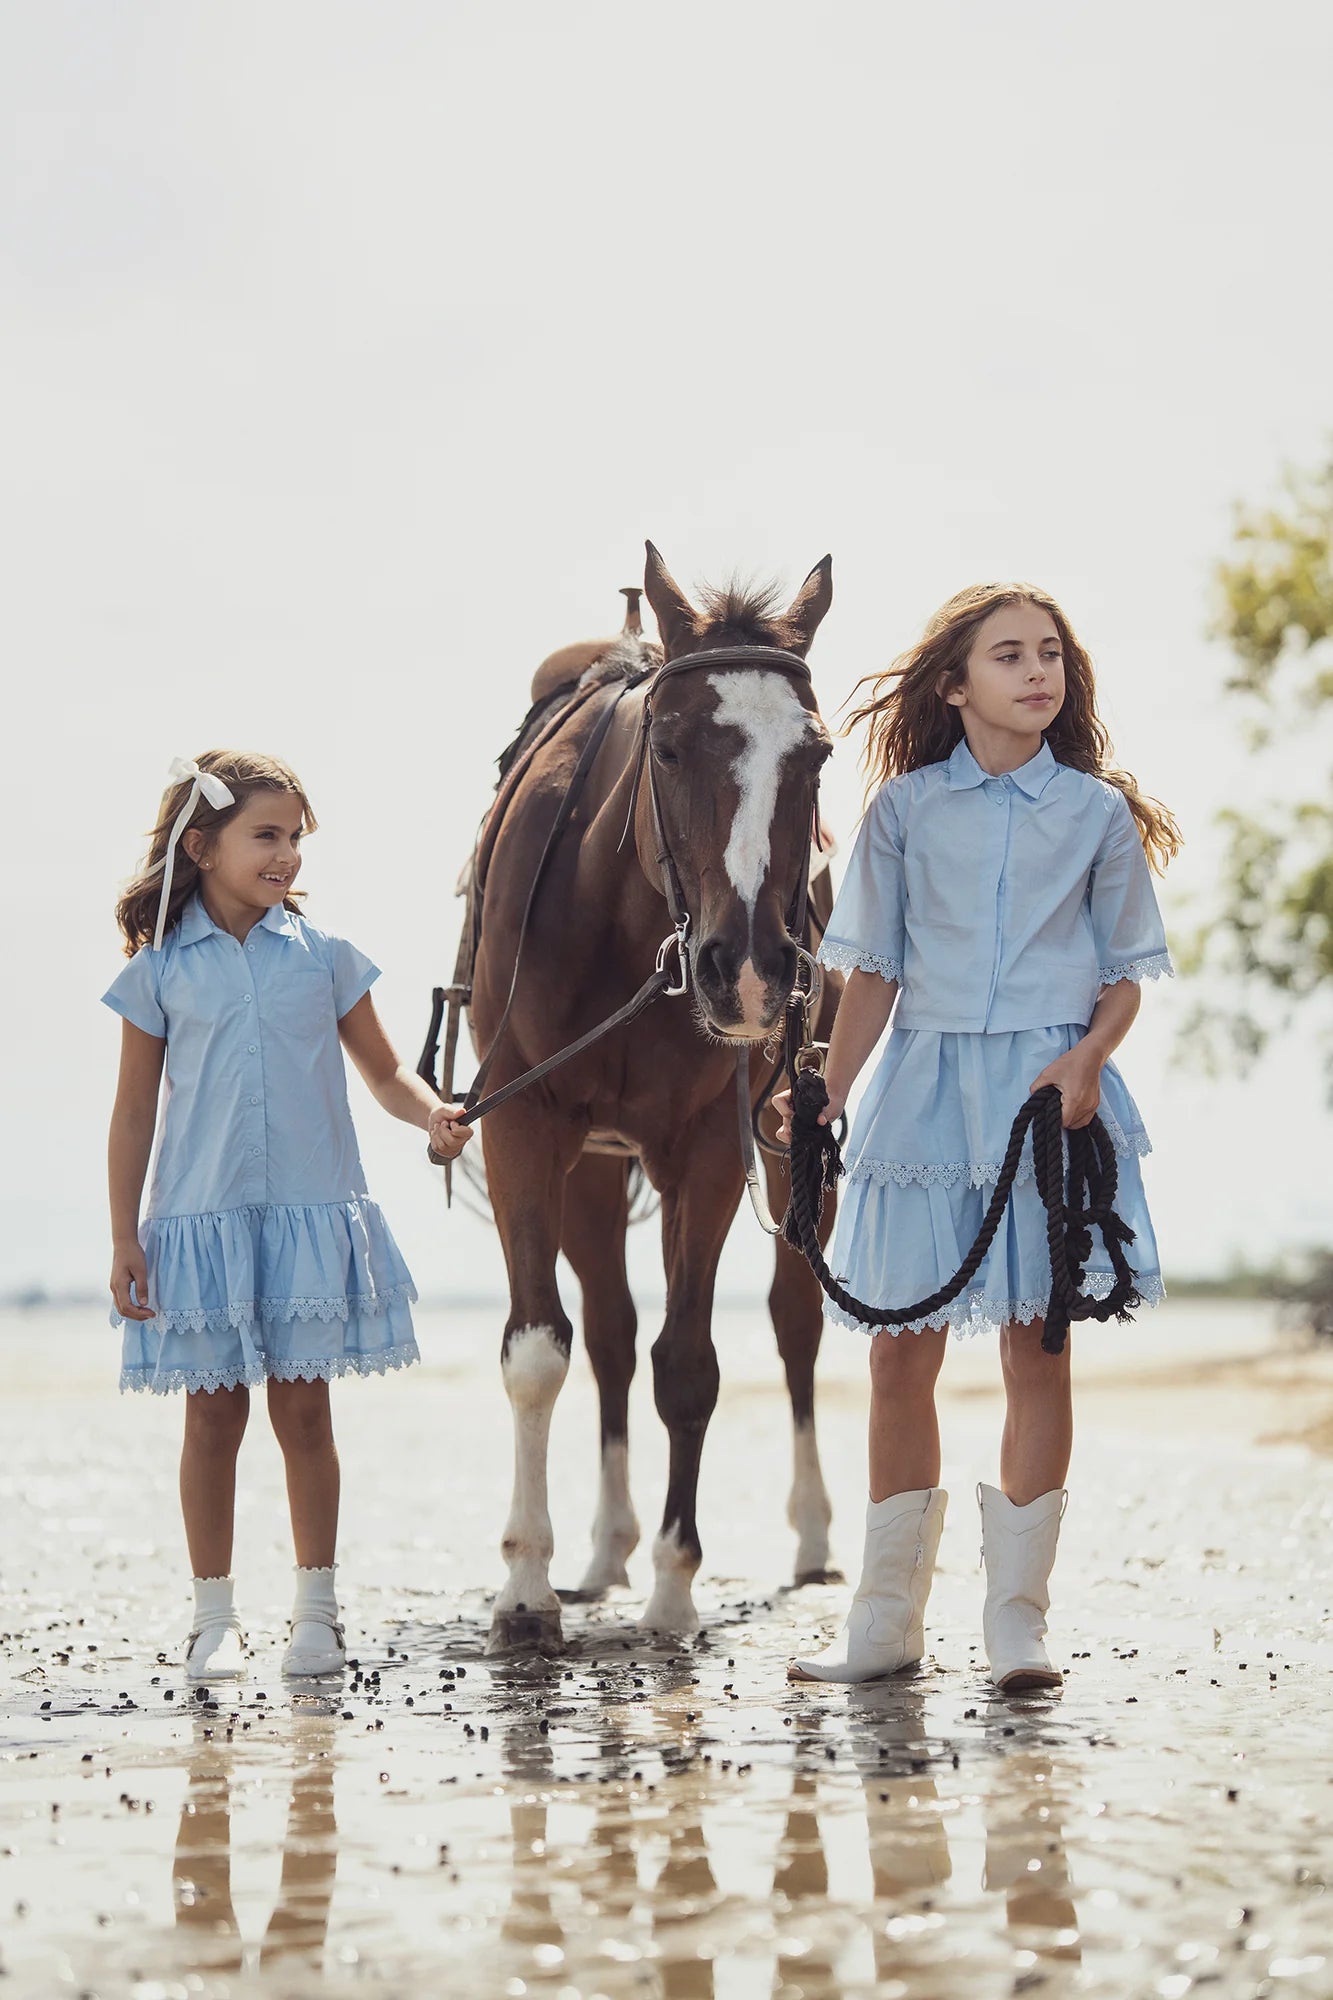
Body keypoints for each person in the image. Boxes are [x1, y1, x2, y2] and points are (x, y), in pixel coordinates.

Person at [778, 586, 1179, 1691]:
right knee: (896, 1348)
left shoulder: (1094, 815)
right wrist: (825, 1085)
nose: (1037, 671)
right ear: (955, 685)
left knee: (1034, 1345)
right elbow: (873, 976)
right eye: (1009, 655)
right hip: (923, 1086)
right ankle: (883, 1624)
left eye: (1049, 653)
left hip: (1051, 1093)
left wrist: (1086, 1061)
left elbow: (1121, 978)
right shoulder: (903, 812)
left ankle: (1016, 1623)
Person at [105, 752, 471, 1683]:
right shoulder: (158, 972)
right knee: (212, 1419)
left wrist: (430, 1111)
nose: (287, 855)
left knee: (305, 1413)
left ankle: (318, 1612)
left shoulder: (327, 961)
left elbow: (385, 1074)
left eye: (296, 837)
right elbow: (134, 1113)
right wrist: (122, 1235)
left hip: (308, 1218)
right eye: (266, 835)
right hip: (201, 1221)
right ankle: (213, 1618)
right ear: (202, 847)